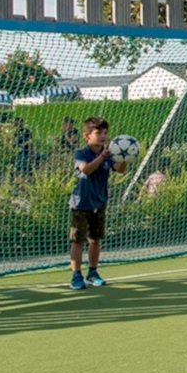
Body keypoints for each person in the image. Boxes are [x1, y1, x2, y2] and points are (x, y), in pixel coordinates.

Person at [69, 117, 127, 290]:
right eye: (98, 133)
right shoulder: (81, 153)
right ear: (87, 136)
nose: (103, 136)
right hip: (80, 204)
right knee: (78, 241)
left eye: (105, 133)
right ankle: (76, 276)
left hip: (99, 203)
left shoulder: (109, 154)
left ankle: (93, 273)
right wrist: (103, 156)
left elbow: (120, 169)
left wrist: (125, 156)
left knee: (94, 240)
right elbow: (86, 169)